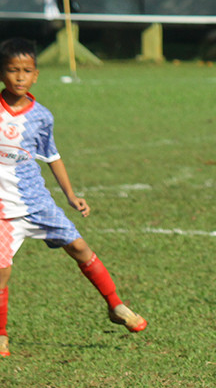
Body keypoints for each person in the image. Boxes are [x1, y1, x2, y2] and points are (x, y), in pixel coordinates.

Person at [0, 38, 147, 358]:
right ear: (2, 73)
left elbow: (52, 157)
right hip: (2, 210)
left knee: (80, 247)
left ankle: (116, 305)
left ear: (36, 75)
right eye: (12, 70)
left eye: (26, 71)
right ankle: (1, 334)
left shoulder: (42, 116)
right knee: (2, 269)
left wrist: (71, 195)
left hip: (36, 202)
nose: (20, 77)